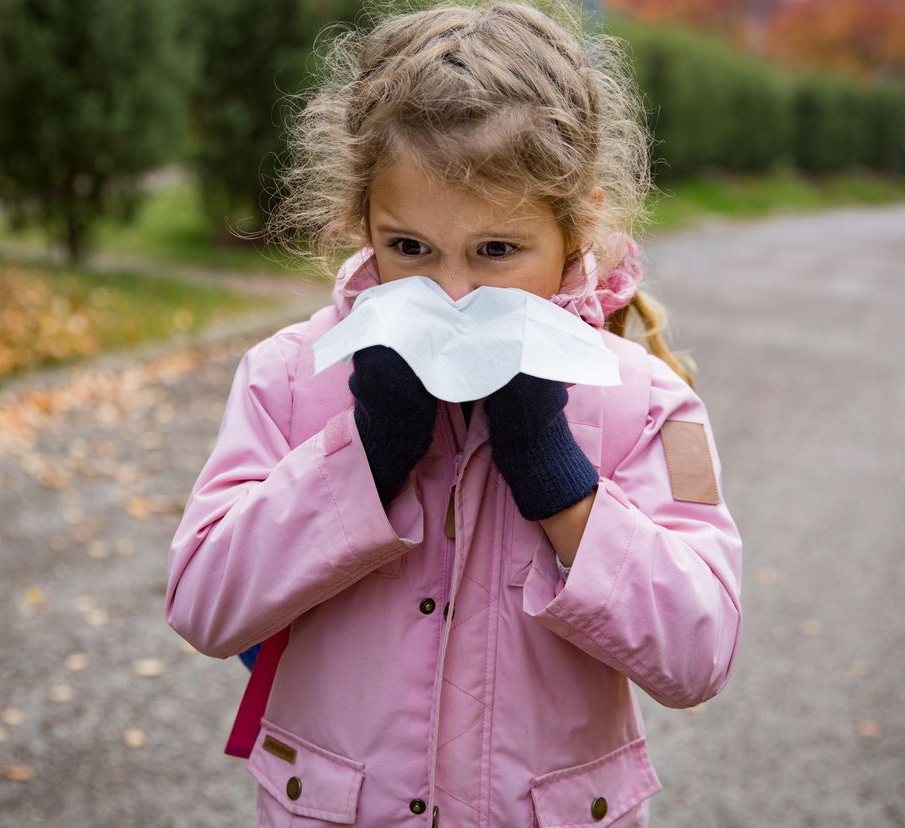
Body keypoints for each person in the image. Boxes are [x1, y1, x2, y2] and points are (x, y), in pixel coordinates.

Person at [165, 2, 744, 826]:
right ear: (363, 221)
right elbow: (203, 606)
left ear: (576, 227)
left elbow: (698, 657)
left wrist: (561, 484)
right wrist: (364, 457)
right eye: (411, 249)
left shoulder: (645, 402)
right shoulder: (292, 376)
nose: (451, 295)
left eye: (496, 251)